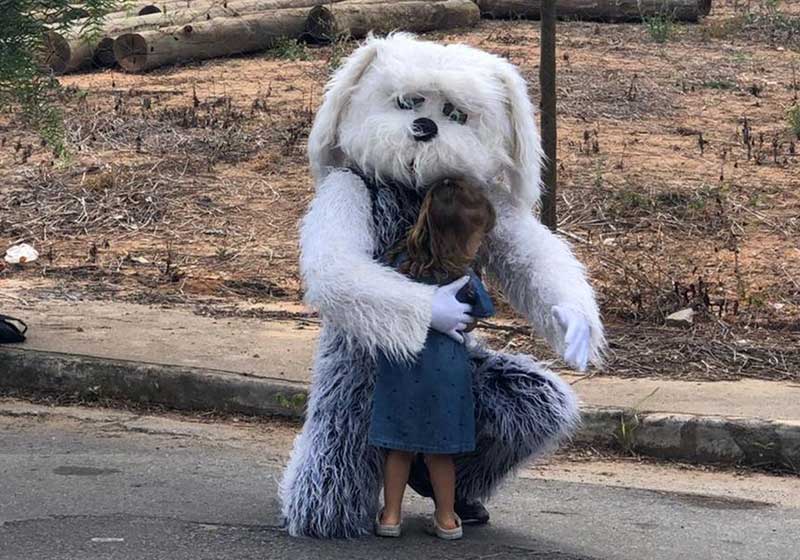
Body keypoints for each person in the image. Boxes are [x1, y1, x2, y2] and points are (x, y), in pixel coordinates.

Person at [369, 178, 496, 540]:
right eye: (477, 239)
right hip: (446, 376)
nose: (479, 245)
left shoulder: (399, 262)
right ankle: (446, 517)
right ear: (460, 240)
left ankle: (391, 516)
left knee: (399, 448)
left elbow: (382, 294)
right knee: (440, 454)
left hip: (401, 367)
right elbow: (480, 311)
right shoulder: (463, 277)